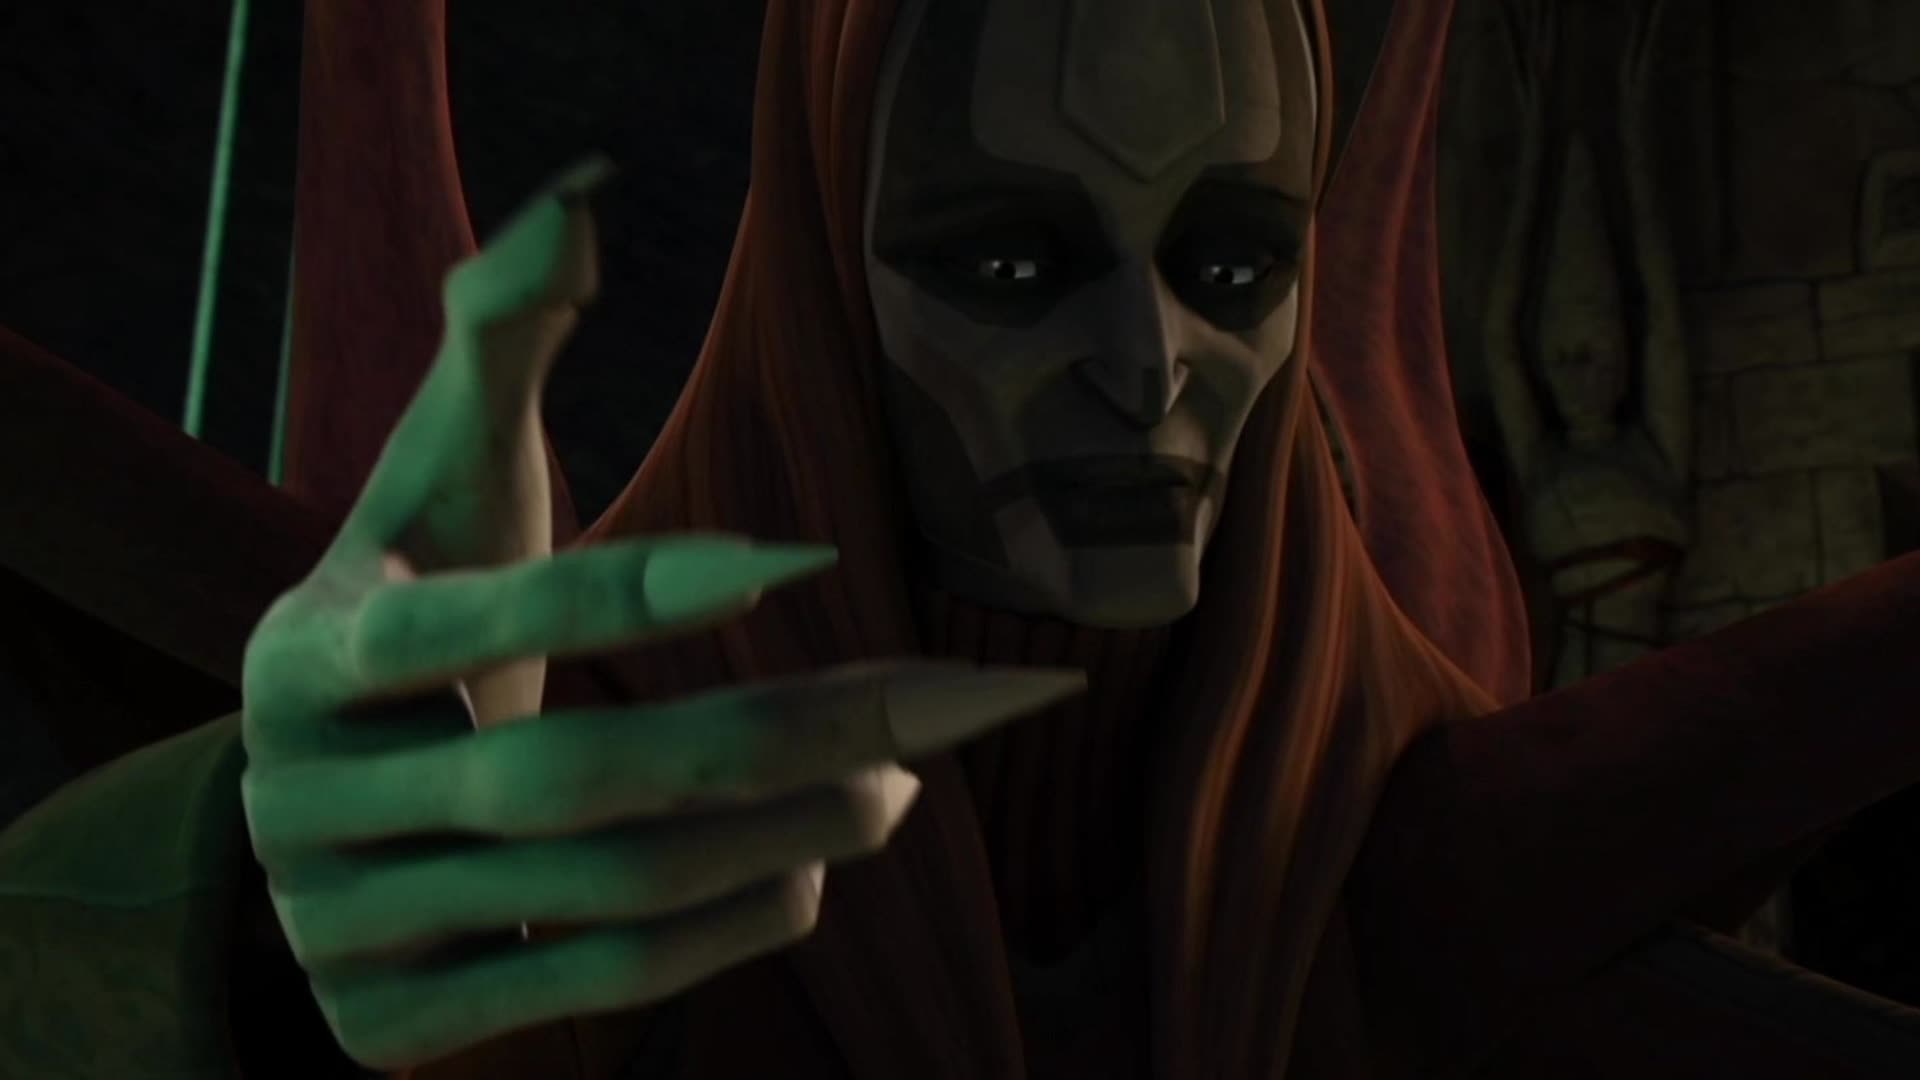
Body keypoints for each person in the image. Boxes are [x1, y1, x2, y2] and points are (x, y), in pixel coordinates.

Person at [6, 2, 1920, 1079]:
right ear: (828, 298)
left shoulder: (1388, 826)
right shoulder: (594, 801)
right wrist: (227, 902)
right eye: (1009, 268)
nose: (1146, 370)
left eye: (1232, 264)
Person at [1483, 0, 1693, 686]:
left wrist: (1634, 127)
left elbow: (1662, 313)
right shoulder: (1543, 463)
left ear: (1626, 356)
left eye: (1594, 351)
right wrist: (1532, 137)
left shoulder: (1654, 455)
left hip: (1652, 682)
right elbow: (1499, 338)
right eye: (1559, 356)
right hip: (1572, 688)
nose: (1575, 370)